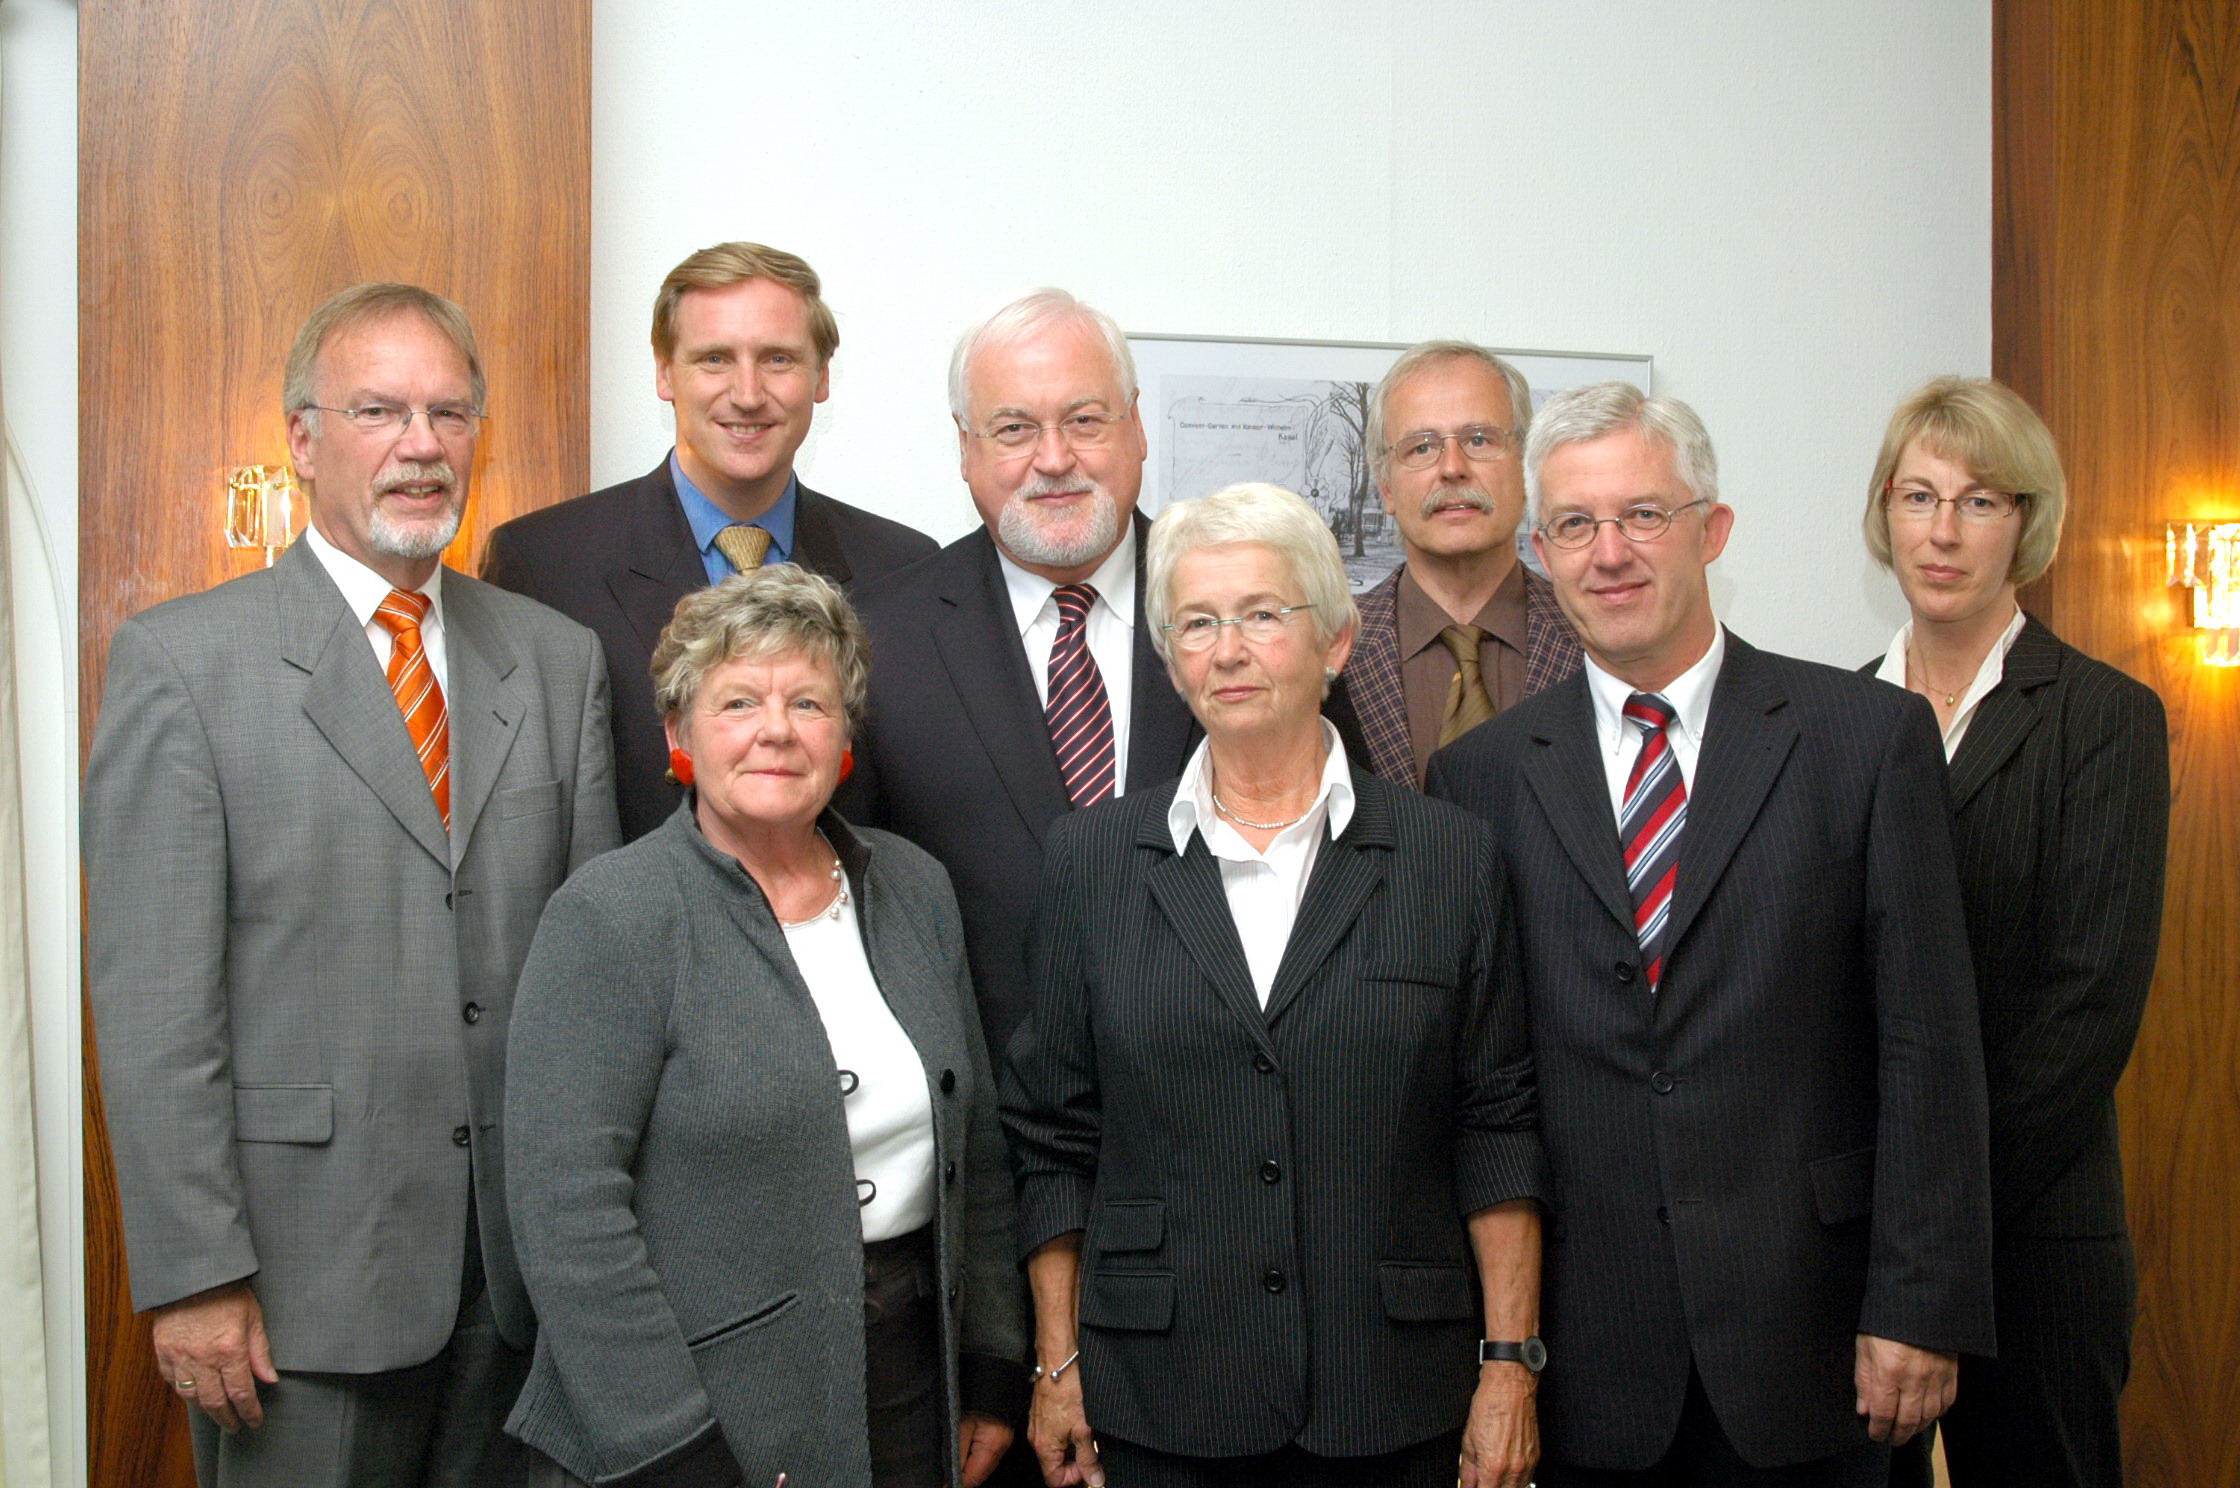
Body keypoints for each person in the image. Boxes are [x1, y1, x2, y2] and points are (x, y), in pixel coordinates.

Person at [83, 282, 621, 1487]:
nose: (419, 445)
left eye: (447, 412)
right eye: (378, 411)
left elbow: (592, 985)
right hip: (291, 1294)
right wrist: (194, 1276)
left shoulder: (554, 661)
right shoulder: (182, 664)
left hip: (518, 1287)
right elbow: (157, 1012)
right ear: (305, 436)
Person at [1426, 382, 1994, 1486]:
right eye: (1575, 526)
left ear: (1710, 530)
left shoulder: (1862, 741)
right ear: (1540, 552)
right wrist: (1501, 1353)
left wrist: (1918, 1308)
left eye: (1643, 515)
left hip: (1816, 1339)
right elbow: (1483, 1082)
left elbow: (1927, 1044)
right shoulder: (1480, 777)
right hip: (1587, 1356)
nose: (1609, 554)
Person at [1003, 482, 1547, 1488]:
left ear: (1334, 643)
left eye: (1260, 614)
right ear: (1171, 662)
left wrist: (1508, 1366)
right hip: (1160, 1396)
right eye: (1196, 624)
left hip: (1390, 1398)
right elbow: (1050, 1136)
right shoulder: (1091, 861)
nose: (1227, 648)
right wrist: (1056, 1362)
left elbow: (1496, 1121)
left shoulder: (1446, 856)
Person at [503, 567, 1027, 1488]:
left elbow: (973, 1149)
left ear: (846, 736)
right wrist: (671, 1448)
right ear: (679, 735)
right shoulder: (611, 916)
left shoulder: (914, 889)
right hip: (697, 1410)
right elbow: (566, 1213)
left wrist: (988, 1359)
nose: (776, 730)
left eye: (810, 702)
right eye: (738, 700)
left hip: (911, 1375)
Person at [1862, 377, 2166, 1488]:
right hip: (1863, 1256)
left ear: (2025, 524)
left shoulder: (2102, 719)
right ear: (1882, 514)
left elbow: (2086, 1011)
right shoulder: (1831, 720)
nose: (1940, 532)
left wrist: (1932, 1226)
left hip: (2033, 1242)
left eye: (1979, 501)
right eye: (1917, 496)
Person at [838, 289, 1196, 1060]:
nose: (1055, 457)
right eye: (1014, 429)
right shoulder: (876, 638)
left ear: (1136, 427)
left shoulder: (1243, 605)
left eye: (1085, 419)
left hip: (1219, 1119)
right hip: (987, 1126)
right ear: (966, 449)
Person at [484, 240, 937, 842]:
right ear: (664, 372)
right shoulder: (542, 565)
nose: (748, 394)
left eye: (778, 359)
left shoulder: (904, 570)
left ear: (822, 376)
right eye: (715, 359)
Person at [1342, 340, 1582, 786]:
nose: (1452, 468)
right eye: (1421, 448)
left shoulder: (1597, 640)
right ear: (1386, 487)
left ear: (1526, 468)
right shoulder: (1328, 653)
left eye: (1479, 439)